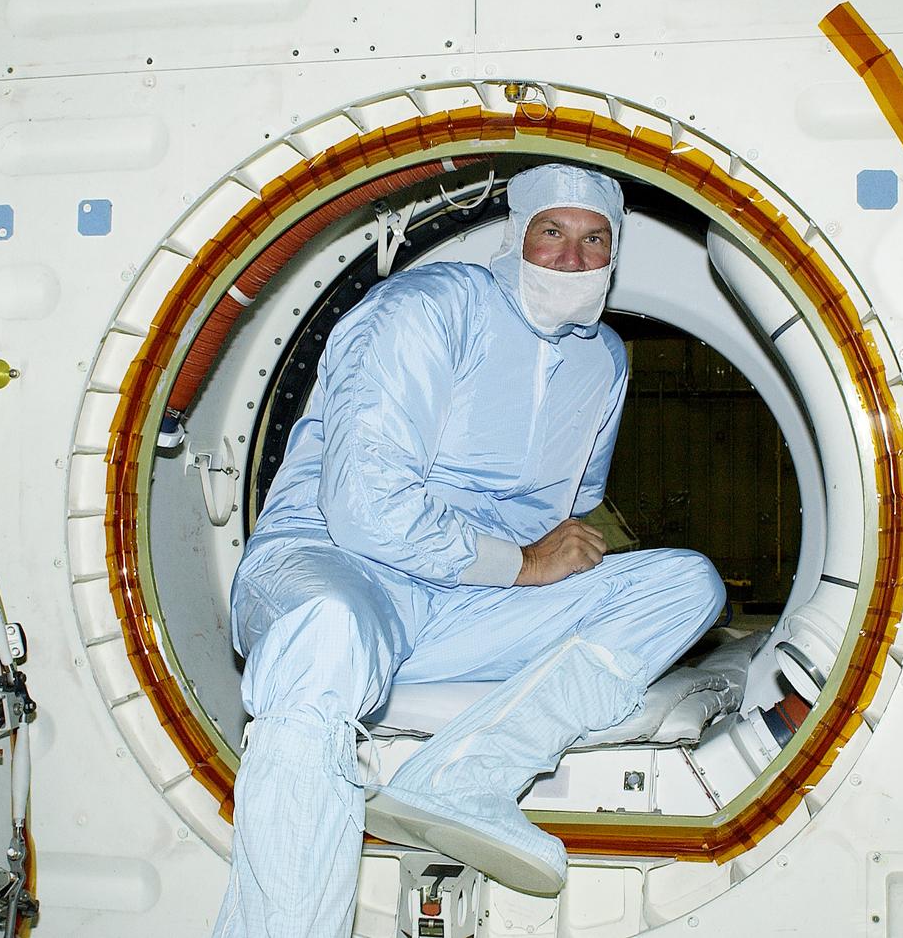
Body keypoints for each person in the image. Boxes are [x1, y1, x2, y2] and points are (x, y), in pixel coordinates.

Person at [211, 163, 724, 938]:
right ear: (518, 235)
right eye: (552, 233)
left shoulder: (605, 361)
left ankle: (464, 775)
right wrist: (522, 564)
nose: (572, 258)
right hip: (341, 569)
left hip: (468, 605)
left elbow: (576, 513)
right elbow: (364, 505)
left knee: (687, 585)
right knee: (328, 630)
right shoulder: (427, 308)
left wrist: (575, 574)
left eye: (595, 241)